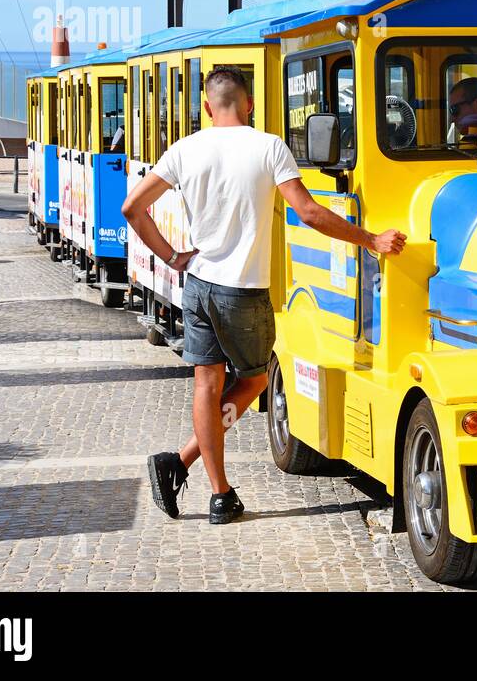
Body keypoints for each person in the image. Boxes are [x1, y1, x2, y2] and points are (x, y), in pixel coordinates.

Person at [122, 66, 405, 524]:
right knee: (254, 380)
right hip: (243, 291)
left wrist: (173, 256)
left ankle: (214, 490)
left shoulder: (184, 149)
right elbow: (309, 212)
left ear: (208, 107)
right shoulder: (268, 146)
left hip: (197, 284)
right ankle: (183, 463)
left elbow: (132, 207)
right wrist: (371, 240)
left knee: (206, 386)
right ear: (249, 103)